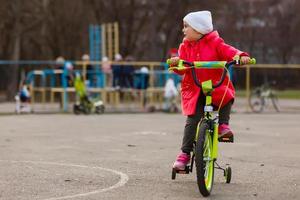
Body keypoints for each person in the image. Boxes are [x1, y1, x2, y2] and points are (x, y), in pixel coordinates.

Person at [168, 11, 251, 170]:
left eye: (187, 26)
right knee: (192, 120)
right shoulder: (184, 46)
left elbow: (229, 51)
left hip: (216, 86)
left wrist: (241, 56)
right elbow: (182, 67)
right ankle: (185, 154)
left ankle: (223, 126)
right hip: (196, 88)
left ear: (199, 29)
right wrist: (176, 63)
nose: (183, 30)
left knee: (227, 96)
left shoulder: (215, 42)